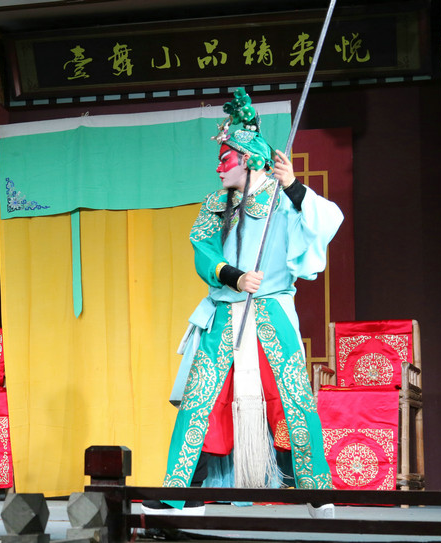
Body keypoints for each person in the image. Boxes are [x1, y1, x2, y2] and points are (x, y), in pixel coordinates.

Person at [142, 89, 343, 521]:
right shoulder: (215, 203)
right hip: (224, 312)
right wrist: (232, 275)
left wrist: (293, 186)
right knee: (202, 399)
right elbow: (203, 248)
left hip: (271, 313)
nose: (218, 167)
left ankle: (314, 490)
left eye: (226, 159)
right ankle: (184, 494)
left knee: (289, 399)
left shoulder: (282, 198)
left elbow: (327, 221)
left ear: (250, 160)